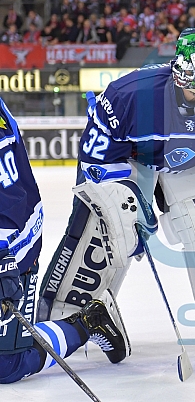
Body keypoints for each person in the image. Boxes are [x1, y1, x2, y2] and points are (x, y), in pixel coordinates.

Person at [36, 28, 195, 345]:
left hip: (191, 165)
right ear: (187, 74)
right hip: (131, 162)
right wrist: (125, 206)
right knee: (106, 226)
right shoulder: (129, 96)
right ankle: (68, 315)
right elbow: (95, 163)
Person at [0, 96, 128, 384]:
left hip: (11, 244)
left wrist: (2, 255)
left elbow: (8, 195)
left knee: (5, 364)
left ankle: (88, 322)